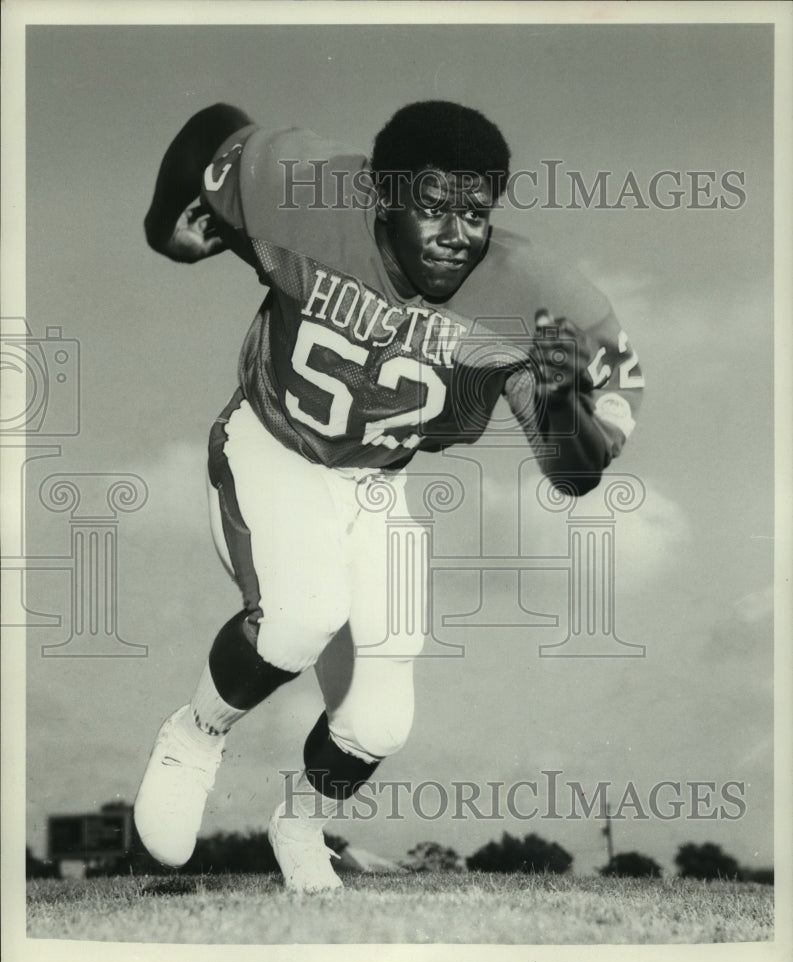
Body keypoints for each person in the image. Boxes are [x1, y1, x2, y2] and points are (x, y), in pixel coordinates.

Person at [134, 100, 643, 892]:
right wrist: (164, 225)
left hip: (374, 486)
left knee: (379, 723)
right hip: (274, 447)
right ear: (383, 194)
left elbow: (575, 474)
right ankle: (196, 733)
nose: (455, 233)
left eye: (475, 212)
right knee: (299, 616)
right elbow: (213, 128)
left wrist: (560, 403)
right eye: (433, 206)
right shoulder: (303, 193)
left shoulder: (529, 294)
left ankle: (300, 828)